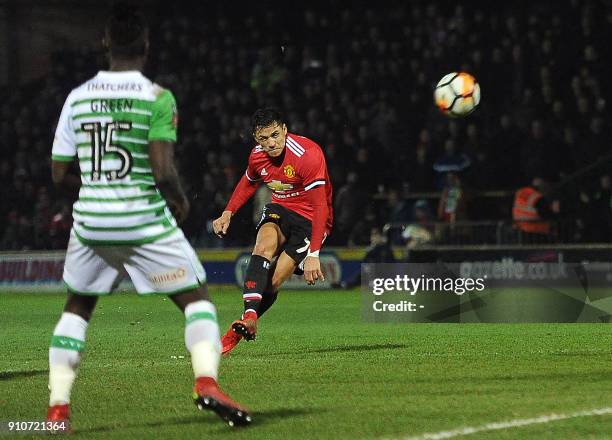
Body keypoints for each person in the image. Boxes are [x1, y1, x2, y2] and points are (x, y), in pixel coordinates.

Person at [45, 5, 250, 430]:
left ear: (105, 44)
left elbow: (59, 171)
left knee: (78, 307)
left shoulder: (77, 97)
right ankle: (206, 383)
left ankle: (58, 410)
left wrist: (101, 181)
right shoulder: (157, 97)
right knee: (196, 300)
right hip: (142, 217)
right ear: (146, 46)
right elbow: (162, 168)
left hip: (91, 221)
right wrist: (179, 198)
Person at [212, 108, 333, 355]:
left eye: (276, 135)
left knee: (275, 279)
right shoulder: (257, 156)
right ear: (256, 139)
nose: (272, 143)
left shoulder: (307, 155)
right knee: (263, 245)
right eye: (264, 139)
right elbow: (248, 181)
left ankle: (248, 319)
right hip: (280, 208)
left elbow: (320, 206)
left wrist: (314, 254)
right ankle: (247, 321)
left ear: (285, 129)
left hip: (311, 218)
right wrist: (228, 212)